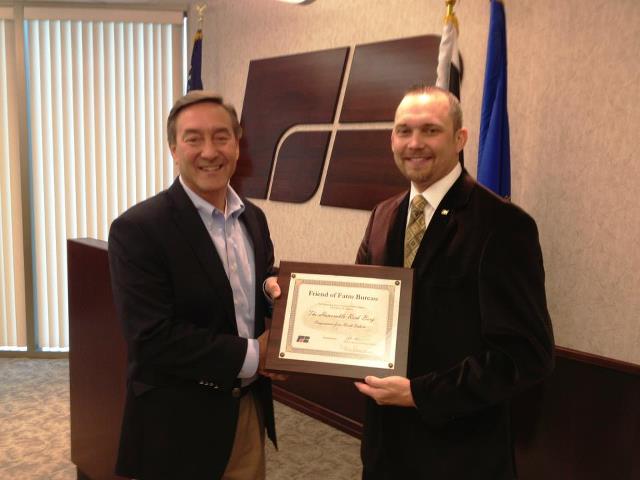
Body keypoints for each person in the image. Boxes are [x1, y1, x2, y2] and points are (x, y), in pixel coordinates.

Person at [354, 85, 555, 479]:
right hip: (384, 444)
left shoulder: (503, 226)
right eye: (403, 131)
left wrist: (420, 394)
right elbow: (362, 309)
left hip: (459, 453)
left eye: (430, 130)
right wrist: (292, 305)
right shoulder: (382, 215)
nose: (414, 143)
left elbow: (527, 355)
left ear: (460, 139)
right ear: (391, 139)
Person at [108, 90, 283, 480]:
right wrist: (258, 354)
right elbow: (151, 338)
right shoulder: (138, 229)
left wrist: (274, 294)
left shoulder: (253, 218)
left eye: (222, 137)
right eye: (193, 138)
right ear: (173, 148)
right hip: (177, 424)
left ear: (237, 145)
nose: (209, 151)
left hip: (245, 410)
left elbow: (252, 291)